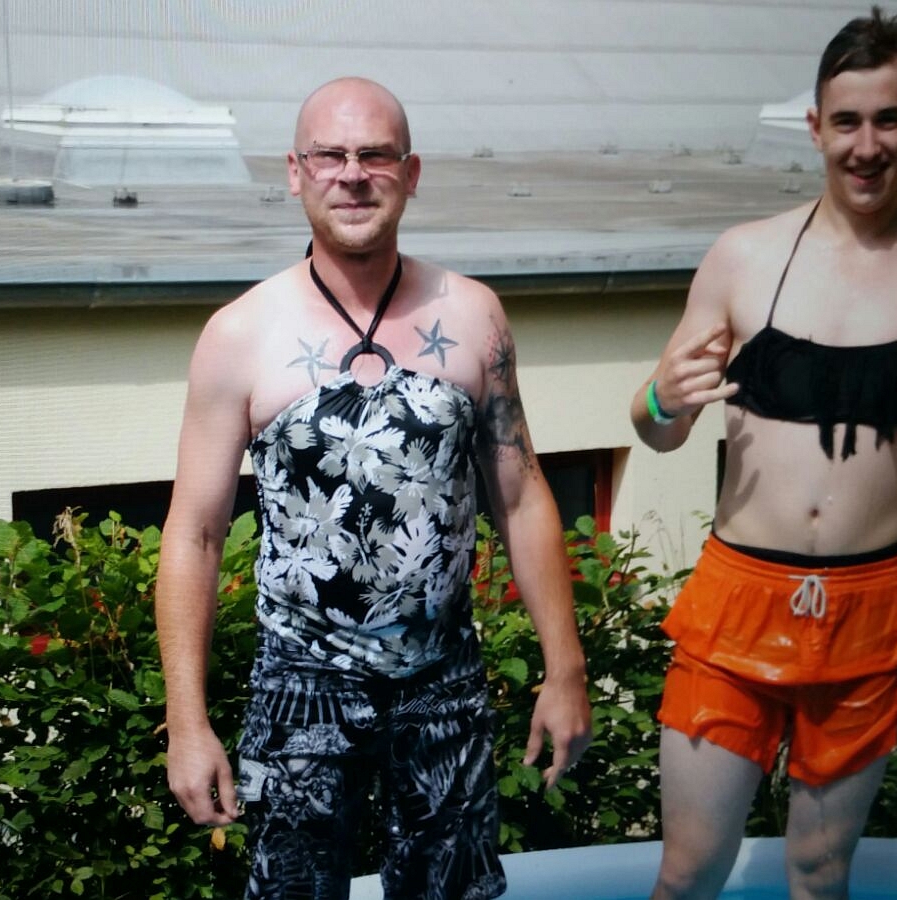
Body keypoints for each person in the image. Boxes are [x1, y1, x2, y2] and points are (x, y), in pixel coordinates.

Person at [156, 76, 592, 900]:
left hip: (443, 679)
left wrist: (565, 669)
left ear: (411, 172)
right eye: (330, 155)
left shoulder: (474, 316)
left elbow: (523, 496)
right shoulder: (240, 334)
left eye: (375, 155)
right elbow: (195, 534)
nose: (352, 174)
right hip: (299, 685)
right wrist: (187, 720)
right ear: (295, 171)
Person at [630, 8, 897, 900]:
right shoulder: (743, 257)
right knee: (688, 871)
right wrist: (662, 400)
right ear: (816, 127)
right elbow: (657, 427)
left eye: (888, 120)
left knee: (820, 874)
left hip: (869, 607)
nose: (866, 145)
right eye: (847, 121)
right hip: (738, 600)